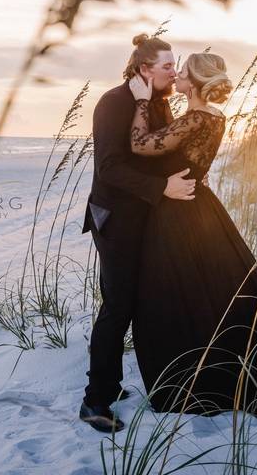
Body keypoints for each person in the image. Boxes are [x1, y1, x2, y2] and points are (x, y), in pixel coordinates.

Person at [127, 52, 257, 418]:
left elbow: (140, 144)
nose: (178, 75)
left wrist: (140, 99)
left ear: (196, 84)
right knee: (216, 287)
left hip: (179, 209)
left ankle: (201, 376)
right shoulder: (213, 116)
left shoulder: (196, 118)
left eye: (183, 72)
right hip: (201, 202)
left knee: (179, 289)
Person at [78, 33, 197, 433]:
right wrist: (162, 188)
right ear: (145, 69)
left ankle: (111, 385)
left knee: (140, 301)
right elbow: (109, 168)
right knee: (117, 307)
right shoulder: (113, 102)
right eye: (167, 65)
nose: (173, 71)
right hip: (114, 220)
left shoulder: (159, 103)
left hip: (145, 217)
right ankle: (95, 401)